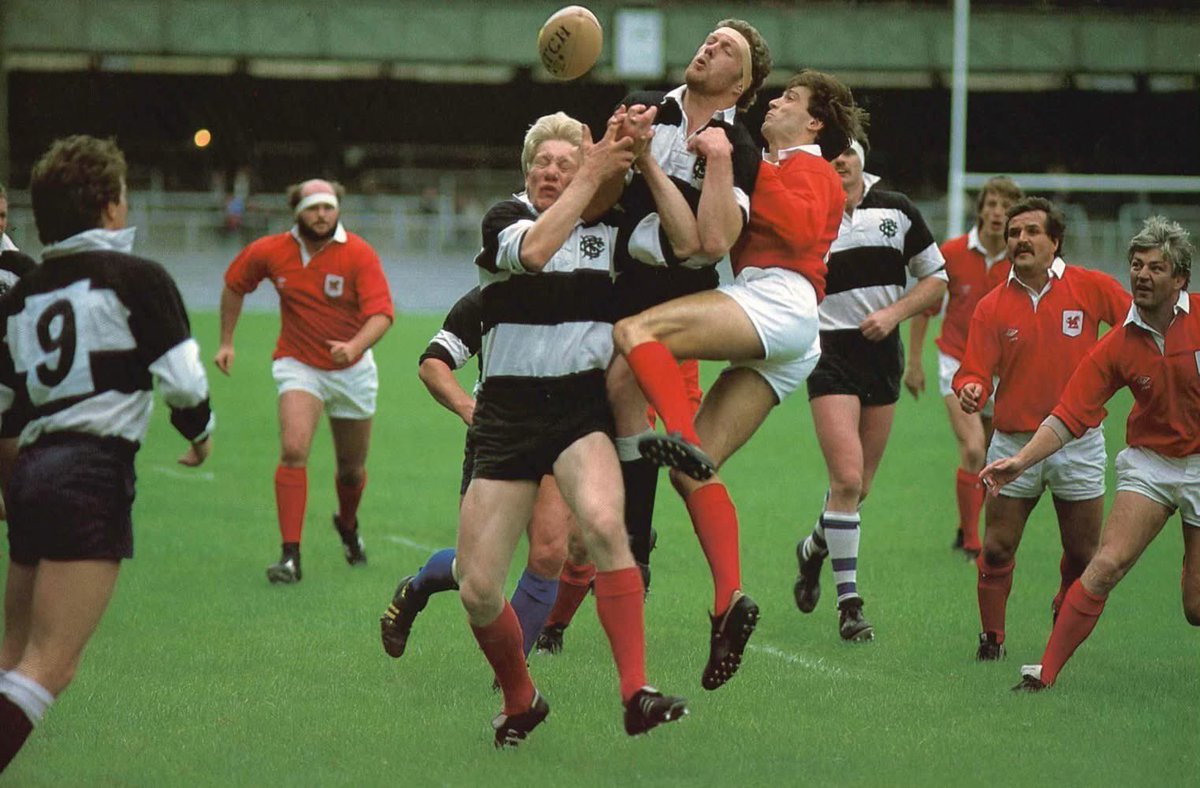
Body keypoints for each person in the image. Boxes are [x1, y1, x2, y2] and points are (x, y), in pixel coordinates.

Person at [614, 69, 865, 688]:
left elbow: (801, 228)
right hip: (787, 331)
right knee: (690, 469)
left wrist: (738, 160)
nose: (775, 101)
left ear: (814, 123)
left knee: (633, 335)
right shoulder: (775, 163)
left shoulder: (810, 166)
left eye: (790, 98)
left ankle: (674, 429)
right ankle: (729, 602)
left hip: (779, 301)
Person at [458, 111, 687, 747]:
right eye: (544, 163)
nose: (554, 171)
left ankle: (636, 692)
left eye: (567, 161)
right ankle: (520, 698)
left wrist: (641, 160)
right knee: (477, 589)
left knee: (605, 528)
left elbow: (691, 242)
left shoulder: (612, 228)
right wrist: (593, 169)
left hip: (578, 411)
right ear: (526, 171)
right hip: (507, 412)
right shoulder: (505, 222)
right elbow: (535, 252)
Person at [0, 135, 214, 772]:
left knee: (11, 653)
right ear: (111, 208)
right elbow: (182, 381)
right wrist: (200, 434)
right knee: (49, 667)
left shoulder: (21, 294)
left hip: (30, 471)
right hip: (88, 475)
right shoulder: (137, 277)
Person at [979, 216, 1198, 690]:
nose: (1142, 275)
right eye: (1136, 265)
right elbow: (1068, 414)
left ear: (1180, 278)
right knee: (1104, 565)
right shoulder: (1118, 344)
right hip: (1152, 464)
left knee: (1195, 606)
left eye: (1156, 268)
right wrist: (1020, 461)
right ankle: (1045, 674)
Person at [603, 19, 772, 593]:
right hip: (615, 281)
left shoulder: (742, 150)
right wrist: (611, 151)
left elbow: (705, 245)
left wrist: (647, 163)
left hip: (683, 299)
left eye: (726, 49)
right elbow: (597, 202)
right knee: (610, 414)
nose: (708, 46)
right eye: (708, 39)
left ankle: (635, 545)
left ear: (740, 88)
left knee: (639, 410)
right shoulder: (643, 107)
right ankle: (625, 541)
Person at [952, 197, 1130, 660]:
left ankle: (1062, 611)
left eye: (1032, 231)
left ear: (1055, 241)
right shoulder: (993, 306)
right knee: (996, 547)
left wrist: (1113, 368)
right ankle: (992, 638)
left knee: (1082, 554)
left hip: (1079, 442)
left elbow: (1135, 325)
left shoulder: (1089, 287)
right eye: (1014, 233)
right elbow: (973, 370)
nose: (1021, 240)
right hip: (1014, 443)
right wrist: (971, 388)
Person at [792, 138, 949, 642]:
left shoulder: (897, 211)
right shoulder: (807, 213)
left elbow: (935, 280)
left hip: (882, 354)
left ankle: (813, 547)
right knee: (846, 479)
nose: (839, 162)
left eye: (847, 155)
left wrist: (894, 313)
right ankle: (850, 606)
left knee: (861, 489)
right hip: (829, 354)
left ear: (862, 161)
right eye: (830, 157)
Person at [215, 179, 394, 583]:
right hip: (299, 365)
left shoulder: (359, 253)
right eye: (313, 208)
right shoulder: (272, 250)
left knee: (351, 470)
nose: (321, 215)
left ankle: (347, 525)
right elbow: (234, 284)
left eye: (328, 208)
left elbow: (382, 313)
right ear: (297, 212)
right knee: (294, 448)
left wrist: (353, 346)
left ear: (338, 210)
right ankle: (290, 557)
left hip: (353, 369)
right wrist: (226, 341)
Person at [379, 287, 571, 661]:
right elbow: (432, 363)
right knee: (475, 574)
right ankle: (417, 588)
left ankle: (512, 684)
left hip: (562, 433)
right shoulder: (490, 296)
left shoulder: (586, 292)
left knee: (550, 553)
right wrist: (470, 408)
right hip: (498, 437)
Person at [904, 176, 1023, 557]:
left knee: (989, 457)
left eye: (1005, 206)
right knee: (973, 450)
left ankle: (964, 527)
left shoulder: (1022, 262)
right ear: (981, 210)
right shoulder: (953, 253)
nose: (996, 212)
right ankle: (974, 543)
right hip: (956, 361)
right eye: (990, 204)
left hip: (1002, 372)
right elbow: (926, 308)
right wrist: (914, 363)